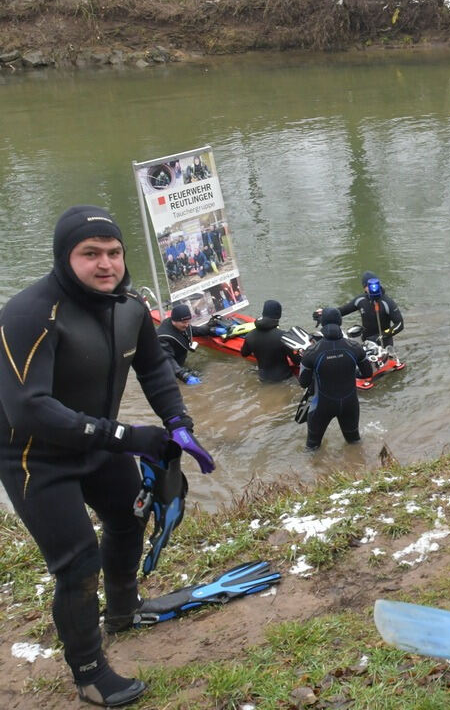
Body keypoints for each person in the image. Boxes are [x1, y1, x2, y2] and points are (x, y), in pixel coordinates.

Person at [0, 205, 214, 707]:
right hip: (35, 458)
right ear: (64, 256)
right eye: (90, 253)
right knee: (77, 563)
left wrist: (178, 424)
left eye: (114, 252)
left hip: (97, 444)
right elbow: (29, 409)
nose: (106, 264)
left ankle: (123, 609)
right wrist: (125, 435)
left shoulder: (130, 307)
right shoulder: (29, 314)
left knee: (128, 517)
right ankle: (90, 673)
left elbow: (155, 369)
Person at [298, 308, 372, 451]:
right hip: (349, 404)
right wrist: (349, 371)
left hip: (321, 405)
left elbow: (303, 383)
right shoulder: (355, 347)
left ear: (322, 323)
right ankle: (359, 463)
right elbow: (367, 373)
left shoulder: (311, 352)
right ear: (340, 322)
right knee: (354, 443)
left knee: (312, 448)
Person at [331, 271, 404, 347]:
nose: (372, 288)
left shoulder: (387, 302)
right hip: (366, 341)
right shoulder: (360, 300)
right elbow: (341, 311)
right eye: (368, 286)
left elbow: (399, 324)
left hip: (384, 342)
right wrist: (325, 313)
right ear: (364, 288)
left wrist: (382, 335)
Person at [240, 300, 300, 383]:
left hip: (263, 378)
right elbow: (296, 361)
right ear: (278, 315)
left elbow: (244, 353)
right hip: (284, 379)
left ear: (263, 313)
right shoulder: (283, 336)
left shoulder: (250, 335)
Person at [156, 303, 216, 384]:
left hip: (179, 364)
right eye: (184, 322)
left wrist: (211, 330)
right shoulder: (163, 337)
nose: (187, 325)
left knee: (201, 375)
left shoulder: (182, 324)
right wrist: (184, 376)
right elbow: (167, 360)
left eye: (188, 321)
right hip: (166, 370)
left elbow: (194, 330)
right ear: (174, 321)